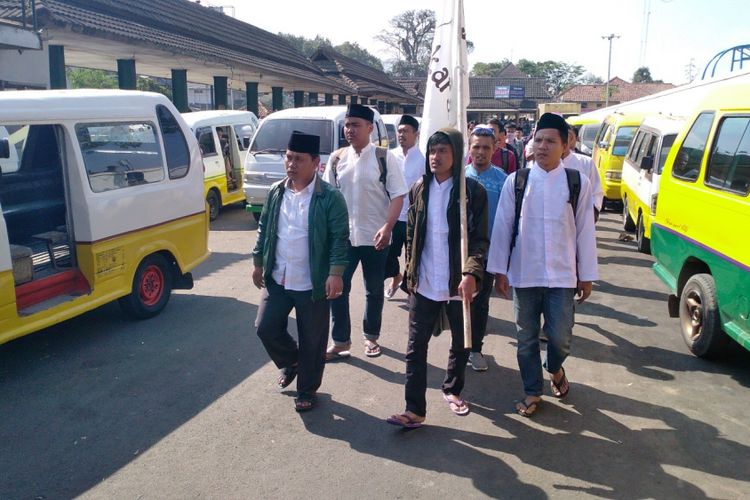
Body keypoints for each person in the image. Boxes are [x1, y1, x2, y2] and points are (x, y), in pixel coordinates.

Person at [487, 113, 598, 418]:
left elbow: (585, 230)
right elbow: (502, 226)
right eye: (538, 140)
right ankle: (532, 390)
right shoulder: (517, 181)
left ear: (565, 146)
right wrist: (499, 269)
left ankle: (555, 366)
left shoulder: (577, 182)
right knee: (525, 338)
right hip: (525, 273)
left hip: (563, 275)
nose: (542, 146)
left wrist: (586, 275)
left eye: (551, 141)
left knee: (560, 335)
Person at [386, 128, 489, 429]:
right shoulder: (419, 188)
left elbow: (481, 239)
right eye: (432, 150)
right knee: (415, 347)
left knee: (462, 341)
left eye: (443, 150)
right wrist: (409, 270)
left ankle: (453, 389)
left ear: (457, 155)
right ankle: (414, 409)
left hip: (458, 282)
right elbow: (410, 233)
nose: (435, 156)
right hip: (424, 281)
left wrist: (472, 272)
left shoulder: (472, 192)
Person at [252, 131, 350, 412]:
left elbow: (339, 237)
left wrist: (335, 272)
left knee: (313, 338)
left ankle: (306, 389)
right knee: (265, 327)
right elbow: (265, 228)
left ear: (316, 163)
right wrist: (259, 260)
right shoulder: (276, 192)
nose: (291, 164)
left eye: (298, 159)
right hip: (279, 277)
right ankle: (291, 361)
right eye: (288, 158)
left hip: (313, 281)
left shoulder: (330, 197)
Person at [322, 103, 409, 360]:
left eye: (355, 125)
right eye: (347, 125)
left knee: (373, 290)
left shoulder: (384, 158)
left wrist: (388, 226)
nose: (350, 130)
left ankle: (371, 338)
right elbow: (328, 197)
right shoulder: (337, 158)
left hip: (376, 237)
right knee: (337, 289)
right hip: (344, 239)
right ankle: (340, 342)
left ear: (370, 128)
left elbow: (398, 195)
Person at [464, 125, 508, 371]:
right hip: (459, 252)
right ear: (469, 148)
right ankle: (460, 345)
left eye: (485, 147)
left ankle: (476, 349)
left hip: (487, 253)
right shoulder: (458, 176)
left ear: (494, 149)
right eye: (476, 146)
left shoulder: (503, 181)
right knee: (459, 300)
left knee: (480, 303)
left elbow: (506, 223)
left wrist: (503, 263)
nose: (480, 152)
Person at [384, 115, 425, 299]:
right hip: (392, 215)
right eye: (399, 131)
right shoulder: (390, 156)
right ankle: (396, 277)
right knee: (388, 255)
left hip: (412, 217)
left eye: (406, 131)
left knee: (411, 256)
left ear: (415, 134)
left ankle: (410, 289)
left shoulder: (423, 160)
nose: (401, 134)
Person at [562, 128, 604, 221]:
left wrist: (591, 214)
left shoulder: (586, 162)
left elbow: (596, 191)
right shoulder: (541, 165)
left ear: (571, 139)